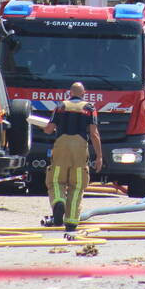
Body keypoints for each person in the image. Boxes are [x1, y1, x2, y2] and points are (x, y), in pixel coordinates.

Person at [43, 82, 103, 231]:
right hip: (80, 147)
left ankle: (58, 201)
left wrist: (44, 127)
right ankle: (71, 221)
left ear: (70, 93)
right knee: (77, 185)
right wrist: (99, 156)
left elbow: (49, 130)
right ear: (84, 94)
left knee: (56, 180)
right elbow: (94, 134)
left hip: (61, 146)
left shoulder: (61, 106)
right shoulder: (89, 108)